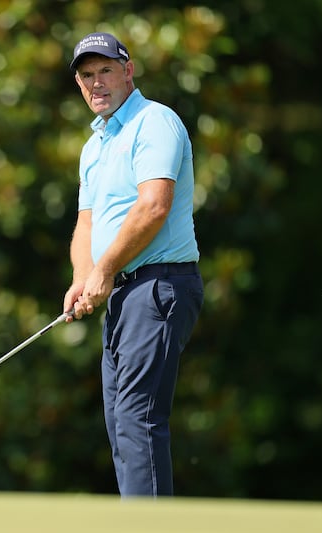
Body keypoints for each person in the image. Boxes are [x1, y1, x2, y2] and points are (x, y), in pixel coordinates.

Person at [62, 32, 204, 497]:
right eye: (87, 75)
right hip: (123, 291)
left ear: (129, 70)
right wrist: (84, 276)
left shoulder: (154, 121)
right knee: (120, 423)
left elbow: (153, 206)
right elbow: (87, 224)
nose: (96, 82)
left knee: (138, 419)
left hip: (159, 285)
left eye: (105, 70)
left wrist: (103, 271)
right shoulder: (95, 146)